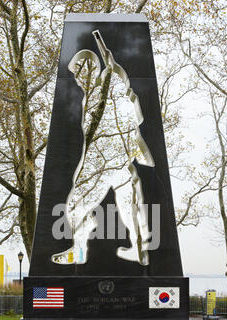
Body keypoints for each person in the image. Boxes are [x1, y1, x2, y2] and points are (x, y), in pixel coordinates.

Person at [52, 31, 155, 266]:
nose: (78, 77)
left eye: (80, 70)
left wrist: (99, 38)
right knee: (120, 205)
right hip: (111, 158)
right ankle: (133, 252)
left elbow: (110, 60)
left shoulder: (110, 83)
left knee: (79, 204)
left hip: (108, 159)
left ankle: (86, 251)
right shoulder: (94, 95)